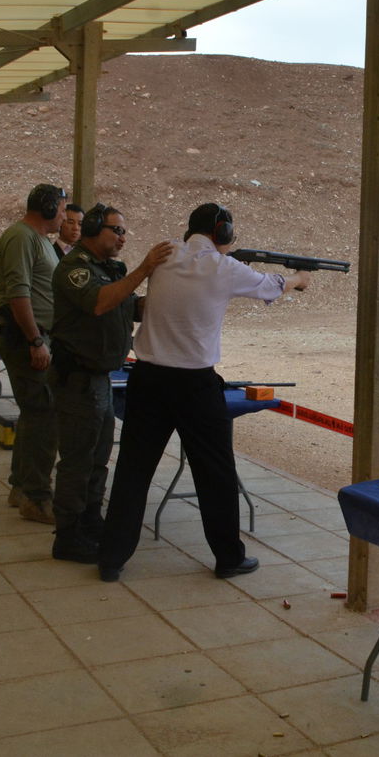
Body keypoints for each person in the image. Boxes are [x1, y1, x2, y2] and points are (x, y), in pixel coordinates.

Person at [97, 203, 310, 582]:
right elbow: (271, 286)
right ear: (222, 231)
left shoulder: (161, 257)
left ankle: (112, 558)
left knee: (133, 470)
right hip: (195, 385)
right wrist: (296, 279)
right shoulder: (223, 268)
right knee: (216, 474)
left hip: (147, 379)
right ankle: (228, 557)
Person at [47, 205, 173, 563]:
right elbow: (101, 303)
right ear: (91, 229)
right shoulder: (75, 269)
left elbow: (130, 307)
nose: (122, 237)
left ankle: (89, 521)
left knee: (98, 458)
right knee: (77, 460)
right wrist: (145, 268)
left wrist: (177, 290)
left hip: (100, 378)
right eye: (116, 230)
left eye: (123, 231)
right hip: (78, 380)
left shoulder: (109, 270)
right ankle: (67, 534)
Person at [0, 183, 67, 524]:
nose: (65, 216)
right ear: (49, 208)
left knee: (34, 415)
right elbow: (18, 294)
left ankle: (22, 487)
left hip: (34, 337)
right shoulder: (23, 237)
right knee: (45, 417)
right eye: (63, 209)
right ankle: (37, 498)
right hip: (29, 340)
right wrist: (36, 341)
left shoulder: (38, 241)